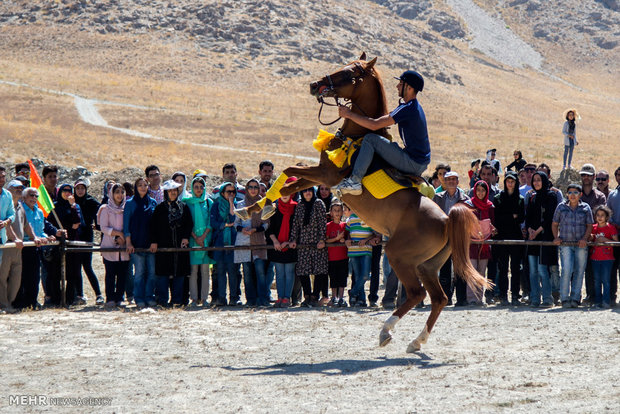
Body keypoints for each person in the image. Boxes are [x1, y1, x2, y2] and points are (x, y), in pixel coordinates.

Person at [334, 70, 430, 195]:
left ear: (409, 88)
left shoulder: (408, 109)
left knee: (370, 139)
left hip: (413, 163)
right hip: (417, 160)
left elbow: (374, 125)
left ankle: (355, 182)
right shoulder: (411, 106)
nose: (397, 86)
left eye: (401, 83)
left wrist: (349, 114)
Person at [15, 187, 63, 310]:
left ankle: (32, 301)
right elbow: (22, 230)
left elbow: (41, 230)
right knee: (22, 276)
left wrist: (47, 237)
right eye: (31, 195)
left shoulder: (39, 212)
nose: (34, 198)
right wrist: (36, 237)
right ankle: (21, 302)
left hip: (36, 248)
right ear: (24, 197)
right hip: (24, 247)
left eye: (36, 196)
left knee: (34, 276)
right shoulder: (20, 210)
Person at [150, 180, 193, 306]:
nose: (173, 193)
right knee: (163, 274)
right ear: (166, 192)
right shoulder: (159, 208)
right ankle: (162, 300)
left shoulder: (183, 207)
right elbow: (153, 227)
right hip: (164, 245)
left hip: (180, 246)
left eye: (175, 190)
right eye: (170, 191)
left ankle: (177, 301)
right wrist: (154, 242)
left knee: (179, 274)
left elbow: (189, 224)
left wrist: (185, 237)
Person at [552, 183, 593, 308]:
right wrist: (556, 237)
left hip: (581, 244)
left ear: (580, 194)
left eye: (575, 192)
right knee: (566, 270)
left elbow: (589, 225)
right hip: (565, 244)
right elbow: (554, 223)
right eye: (570, 192)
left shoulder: (585, 207)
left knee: (579, 271)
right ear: (567, 194)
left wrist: (584, 239)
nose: (572, 195)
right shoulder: (561, 207)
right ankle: (564, 298)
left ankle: (575, 298)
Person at [432, 171, 470, 305]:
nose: (451, 182)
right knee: (444, 270)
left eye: (454, 179)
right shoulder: (437, 198)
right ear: (445, 182)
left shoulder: (465, 199)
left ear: (458, 181)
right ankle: (445, 298)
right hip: (444, 238)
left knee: (460, 270)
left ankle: (461, 299)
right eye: (449, 179)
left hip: (459, 238)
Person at [289, 187, 329, 306]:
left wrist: (322, 239)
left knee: (319, 270)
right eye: (305, 191)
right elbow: (296, 224)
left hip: (317, 243)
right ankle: (307, 296)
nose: (307, 193)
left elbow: (322, 223)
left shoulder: (318, 203)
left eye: (309, 190)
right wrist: (293, 239)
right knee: (303, 270)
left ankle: (315, 296)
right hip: (304, 243)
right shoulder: (300, 205)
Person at [47, 184, 85, 306]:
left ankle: (70, 298)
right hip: (57, 243)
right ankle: (56, 299)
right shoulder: (54, 206)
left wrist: (73, 206)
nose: (67, 193)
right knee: (55, 273)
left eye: (69, 191)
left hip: (72, 243)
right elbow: (50, 223)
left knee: (72, 273)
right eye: (64, 190)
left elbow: (77, 223)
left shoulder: (75, 206)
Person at [234, 178, 269, 306]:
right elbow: (236, 224)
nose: (253, 190)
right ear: (246, 189)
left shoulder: (264, 204)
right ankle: (251, 300)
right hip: (243, 242)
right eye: (250, 187)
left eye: (255, 187)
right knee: (247, 273)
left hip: (259, 242)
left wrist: (255, 230)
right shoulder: (240, 204)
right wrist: (242, 229)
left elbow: (266, 224)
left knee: (260, 273)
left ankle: (263, 299)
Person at [124, 177, 158, 308]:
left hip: (151, 244)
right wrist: (128, 243)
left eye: (145, 185)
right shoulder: (130, 203)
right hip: (136, 243)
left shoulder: (153, 202)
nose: (143, 187)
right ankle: (138, 298)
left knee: (152, 272)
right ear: (135, 187)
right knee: (139, 273)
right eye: (140, 185)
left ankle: (149, 296)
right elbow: (126, 225)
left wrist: (155, 241)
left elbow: (156, 225)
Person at [493, 172, 525, 305]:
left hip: (516, 236)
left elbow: (522, 217)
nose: (510, 184)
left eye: (512, 181)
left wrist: (508, 217)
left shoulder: (520, 199)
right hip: (502, 236)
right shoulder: (498, 198)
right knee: (503, 267)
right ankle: (503, 295)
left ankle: (515, 295)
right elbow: (497, 218)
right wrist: (512, 217)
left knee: (516, 268)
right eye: (508, 181)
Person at [266, 178, 298, 308]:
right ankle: (280, 297)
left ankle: (287, 298)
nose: (285, 195)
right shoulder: (274, 208)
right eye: (282, 192)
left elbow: (298, 227)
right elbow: (270, 228)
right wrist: (275, 242)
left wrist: (290, 241)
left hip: (291, 246)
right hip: (277, 246)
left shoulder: (296, 207)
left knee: (289, 273)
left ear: (291, 193)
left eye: (287, 191)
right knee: (279, 273)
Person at [97, 184, 130, 308]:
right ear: (111, 193)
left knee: (122, 274)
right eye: (117, 192)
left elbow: (128, 225)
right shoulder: (105, 209)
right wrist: (118, 234)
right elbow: (103, 227)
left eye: (122, 192)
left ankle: (120, 298)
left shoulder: (126, 208)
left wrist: (124, 238)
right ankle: (110, 298)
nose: (120, 195)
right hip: (109, 246)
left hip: (124, 246)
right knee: (110, 274)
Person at [579, 163, 606, 305]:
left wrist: (591, 233)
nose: (586, 178)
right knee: (577, 269)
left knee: (594, 268)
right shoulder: (576, 194)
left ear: (594, 177)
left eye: (589, 175)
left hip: (594, 236)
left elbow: (600, 217)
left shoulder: (600, 196)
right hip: (578, 236)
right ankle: (581, 295)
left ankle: (595, 296)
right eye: (583, 175)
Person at [0, 181, 29, 313]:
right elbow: (7, 223)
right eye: (16, 188)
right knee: (2, 276)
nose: (19, 190)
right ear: (9, 189)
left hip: (18, 247)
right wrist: (14, 238)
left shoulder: (21, 207)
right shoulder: (5, 205)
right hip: (7, 245)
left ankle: (10, 302)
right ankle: (4, 304)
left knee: (16, 277)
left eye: (21, 188)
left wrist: (35, 237)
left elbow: (26, 225)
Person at [465, 180, 496, 305]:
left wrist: (493, 229)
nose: (480, 193)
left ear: (486, 191)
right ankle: (471, 298)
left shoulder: (490, 206)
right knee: (472, 271)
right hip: (471, 243)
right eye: (478, 190)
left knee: (482, 272)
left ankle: (479, 298)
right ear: (474, 191)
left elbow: (493, 223)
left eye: (483, 190)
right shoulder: (468, 205)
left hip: (484, 244)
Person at [184, 176, 213, 307]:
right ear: (192, 188)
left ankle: (204, 298)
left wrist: (203, 237)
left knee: (205, 271)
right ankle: (194, 299)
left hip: (206, 240)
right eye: (196, 187)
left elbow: (210, 222)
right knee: (193, 271)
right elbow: (187, 223)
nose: (199, 189)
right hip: (192, 240)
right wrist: (196, 238)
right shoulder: (187, 203)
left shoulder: (208, 202)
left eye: (201, 187)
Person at [73, 179, 103, 305]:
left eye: (82, 188)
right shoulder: (72, 201)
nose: (80, 191)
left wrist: (97, 225)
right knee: (76, 267)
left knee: (87, 266)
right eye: (78, 188)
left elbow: (101, 211)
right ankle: (80, 295)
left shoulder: (90, 201)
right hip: (74, 235)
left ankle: (99, 294)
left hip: (87, 235)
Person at [210, 182, 239, 306]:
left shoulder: (238, 205)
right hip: (220, 241)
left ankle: (234, 297)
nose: (231, 194)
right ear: (222, 193)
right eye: (228, 192)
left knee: (233, 271)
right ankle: (221, 297)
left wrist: (232, 204)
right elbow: (213, 222)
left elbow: (234, 220)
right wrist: (224, 225)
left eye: (233, 192)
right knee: (220, 271)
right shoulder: (216, 206)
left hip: (233, 241)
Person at [346, 209, 380, 307]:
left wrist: (366, 240)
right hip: (353, 250)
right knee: (357, 276)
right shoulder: (351, 218)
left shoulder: (369, 217)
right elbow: (348, 232)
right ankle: (361, 299)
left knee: (365, 275)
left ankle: (353, 292)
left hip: (366, 249)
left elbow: (375, 234)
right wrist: (348, 240)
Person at [589, 206, 617, 308]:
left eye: (602, 215)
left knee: (606, 280)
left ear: (607, 217)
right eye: (598, 215)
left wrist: (604, 239)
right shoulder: (593, 227)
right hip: (595, 258)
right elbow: (590, 240)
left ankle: (606, 301)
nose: (600, 217)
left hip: (607, 259)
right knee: (596, 280)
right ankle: (597, 301)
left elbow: (616, 242)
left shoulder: (610, 227)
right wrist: (591, 237)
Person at [325, 202, 348, 307]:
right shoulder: (328, 226)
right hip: (332, 257)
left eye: (339, 210)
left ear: (342, 212)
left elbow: (348, 239)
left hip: (343, 256)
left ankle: (341, 298)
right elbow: (327, 240)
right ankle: (334, 297)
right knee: (333, 278)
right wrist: (336, 239)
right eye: (335, 210)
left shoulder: (345, 225)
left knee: (342, 278)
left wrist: (344, 239)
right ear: (331, 212)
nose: (337, 212)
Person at [607, 166, 620, 306]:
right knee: (612, 267)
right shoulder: (613, 194)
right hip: (614, 235)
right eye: (618, 174)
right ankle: (611, 296)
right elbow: (607, 213)